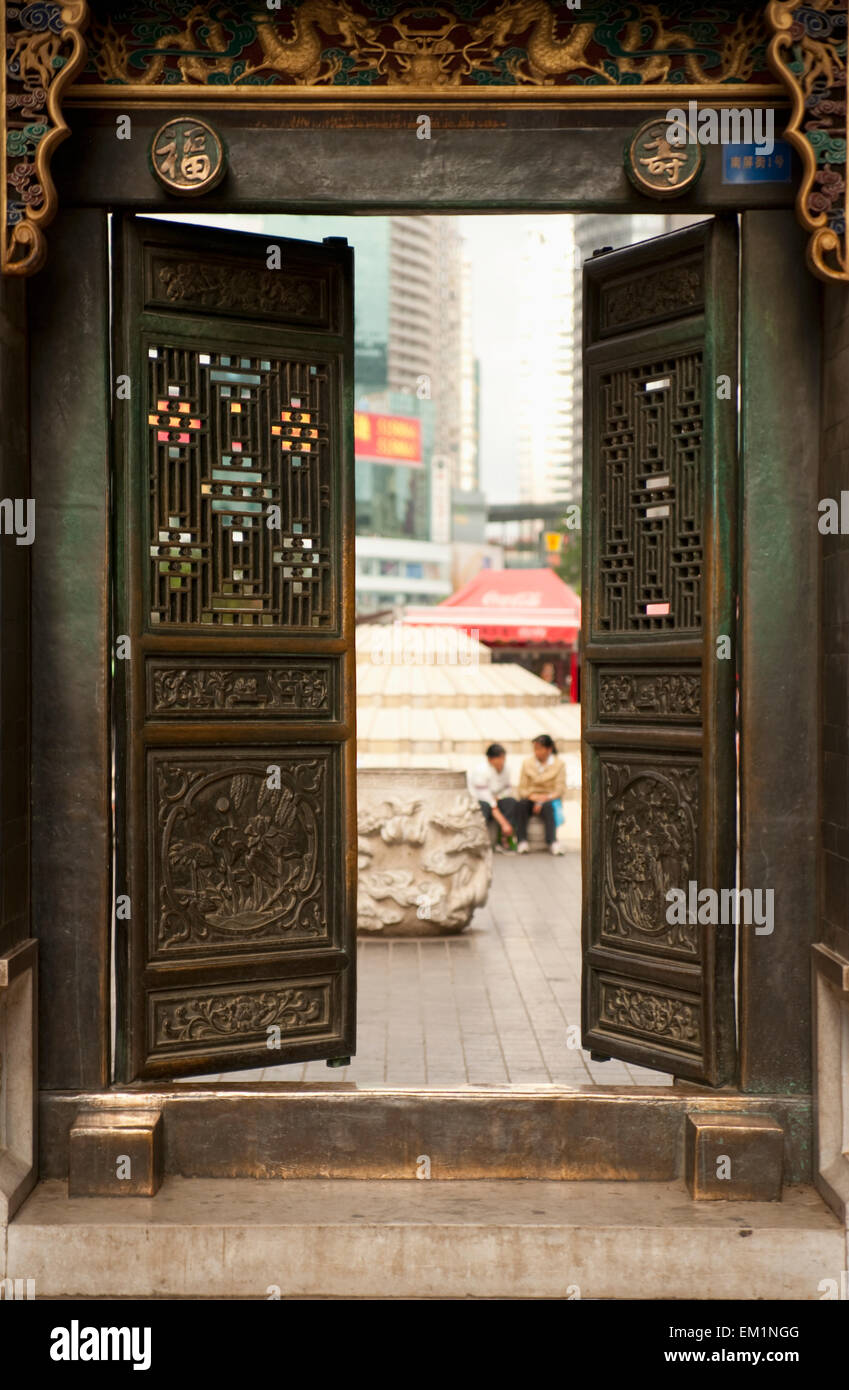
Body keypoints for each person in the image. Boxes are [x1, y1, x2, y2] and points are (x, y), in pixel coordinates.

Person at [515, 734, 566, 856]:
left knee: (549, 807)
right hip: (531, 796)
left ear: (549, 749)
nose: (536, 752)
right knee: (521, 805)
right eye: (535, 748)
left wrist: (542, 800)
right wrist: (533, 797)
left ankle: (552, 841)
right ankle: (521, 840)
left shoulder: (559, 764)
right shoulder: (527, 763)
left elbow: (560, 789)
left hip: (548, 797)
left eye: (539, 748)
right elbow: (522, 788)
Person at [467, 743, 517, 851]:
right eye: (498, 758)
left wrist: (499, 797)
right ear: (490, 760)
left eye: (503, 758)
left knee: (510, 802)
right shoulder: (480, 771)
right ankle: (480, 841)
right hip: (480, 799)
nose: (501, 761)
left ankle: (503, 839)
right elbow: (486, 799)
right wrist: (504, 823)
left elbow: (507, 788)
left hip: (496, 798)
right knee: (484, 807)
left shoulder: (506, 769)